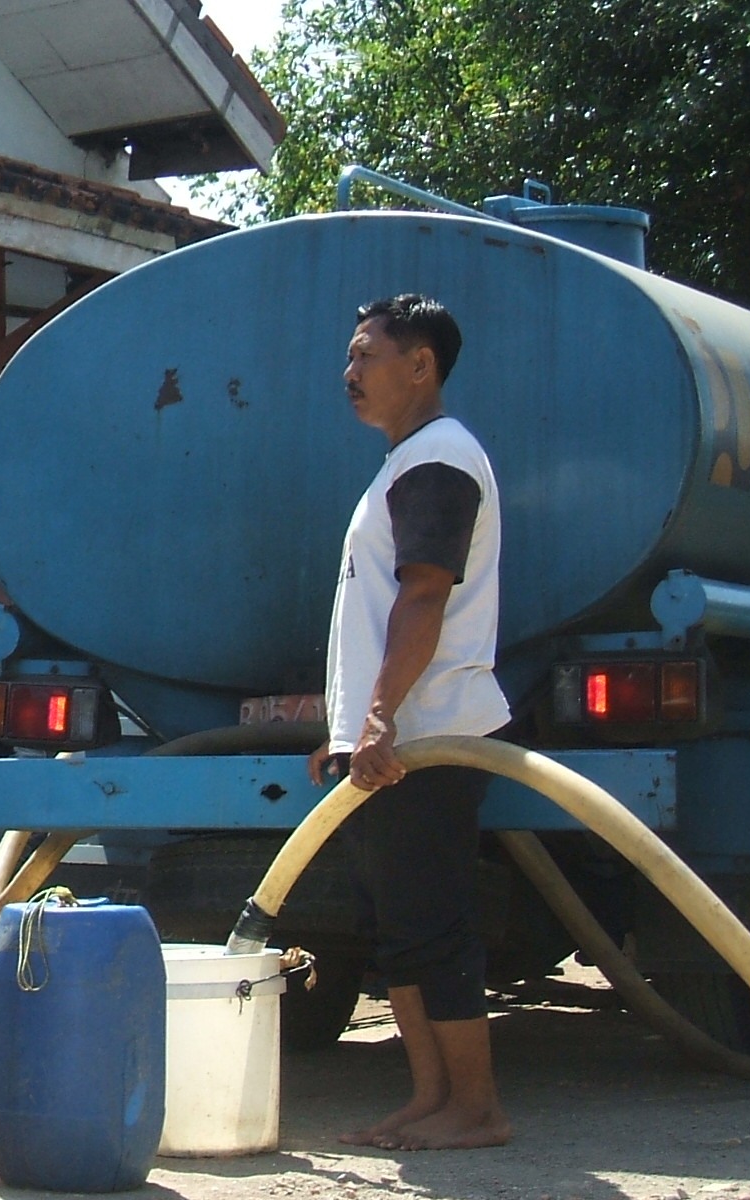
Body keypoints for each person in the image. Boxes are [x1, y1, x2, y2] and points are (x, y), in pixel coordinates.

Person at [307, 292, 511, 1151]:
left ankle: (477, 1108)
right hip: (391, 741)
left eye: (367, 355)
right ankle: (432, 1097)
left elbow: (425, 597)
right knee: (396, 931)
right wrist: (346, 727)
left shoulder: (439, 459)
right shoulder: (406, 463)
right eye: (351, 356)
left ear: (420, 365)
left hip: (428, 736)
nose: (349, 372)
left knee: (431, 925)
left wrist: (381, 718)